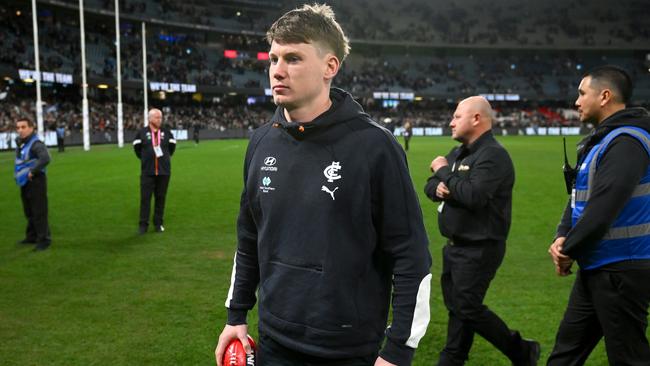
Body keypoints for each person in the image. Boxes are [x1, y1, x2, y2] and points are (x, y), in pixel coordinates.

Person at [214, 4, 432, 366]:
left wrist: (398, 350)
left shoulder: (375, 147)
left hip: (347, 349)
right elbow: (249, 237)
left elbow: (412, 256)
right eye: (274, 58)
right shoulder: (260, 142)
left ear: (331, 66)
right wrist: (236, 315)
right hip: (273, 341)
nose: (277, 71)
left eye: (294, 58)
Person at [424, 96, 540, 366]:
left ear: (476, 119)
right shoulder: (459, 153)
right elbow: (431, 185)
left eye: (456, 116)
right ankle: (453, 358)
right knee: (458, 310)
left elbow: (474, 196)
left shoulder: (493, 155)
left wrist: (443, 172)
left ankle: (520, 350)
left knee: (466, 307)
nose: (451, 122)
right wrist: (439, 186)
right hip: (455, 246)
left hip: (480, 247)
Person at [547, 66, 650, 365]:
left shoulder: (627, 142)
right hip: (597, 265)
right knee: (564, 356)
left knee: (629, 358)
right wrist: (562, 235)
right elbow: (578, 197)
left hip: (622, 270)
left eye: (581, 93)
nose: (576, 101)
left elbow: (603, 208)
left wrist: (568, 250)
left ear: (604, 96)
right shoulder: (603, 140)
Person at [133, 108, 176, 234]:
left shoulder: (167, 133)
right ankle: (143, 225)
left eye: (160, 117)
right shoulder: (141, 133)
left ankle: (158, 223)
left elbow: (172, 148)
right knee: (145, 199)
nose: (159, 120)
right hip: (147, 172)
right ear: (150, 119)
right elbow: (137, 149)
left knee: (160, 198)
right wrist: (147, 159)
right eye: (157, 117)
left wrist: (164, 160)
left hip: (164, 172)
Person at [14, 117, 51, 251]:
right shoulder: (22, 143)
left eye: (23, 127)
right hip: (25, 182)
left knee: (39, 211)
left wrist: (33, 171)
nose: (20, 130)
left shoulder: (36, 143)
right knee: (29, 210)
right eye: (18, 128)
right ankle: (32, 236)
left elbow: (46, 158)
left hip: (36, 181)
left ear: (31, 128)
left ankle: (44, 240)